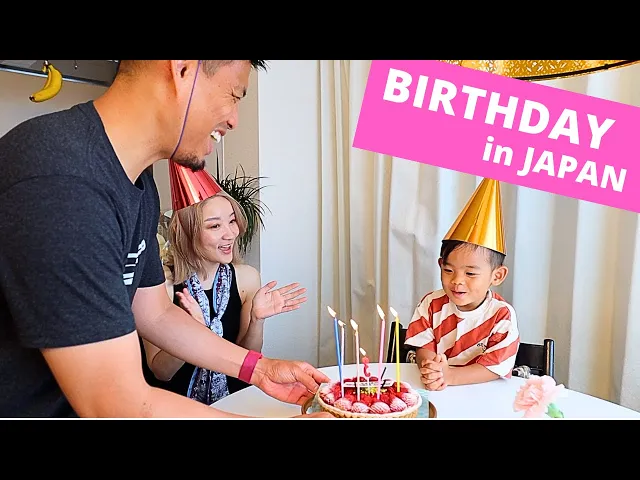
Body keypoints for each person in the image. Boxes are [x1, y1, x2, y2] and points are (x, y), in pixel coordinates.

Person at [0, 59, 332, 418]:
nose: (234, 119)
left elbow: (155, 313)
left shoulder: (137, 182)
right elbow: (116, 405)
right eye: (234, 95)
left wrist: (259, 369)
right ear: (183, 69)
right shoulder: (61, 182)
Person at [142, 168, 307, 405]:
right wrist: (192, 331)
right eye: (214, 226)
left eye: (232, 221)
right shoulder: (160, 286)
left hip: (233, 402)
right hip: (176, 408)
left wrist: (257, 320)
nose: (230, 233)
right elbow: (161, 372)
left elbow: (245, 358)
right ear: (186, 232)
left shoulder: (247, 279)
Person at [404, 178, 520, 391]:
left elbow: (495, 366)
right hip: (436, 392)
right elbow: (423, 346)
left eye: (470, 273)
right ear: (440, 265)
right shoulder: (431, 304)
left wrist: (451, 376)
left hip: (481, 395)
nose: (457, 281)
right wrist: (432, 368)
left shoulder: (501, 315)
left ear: (497, 275)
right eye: (448, 270)